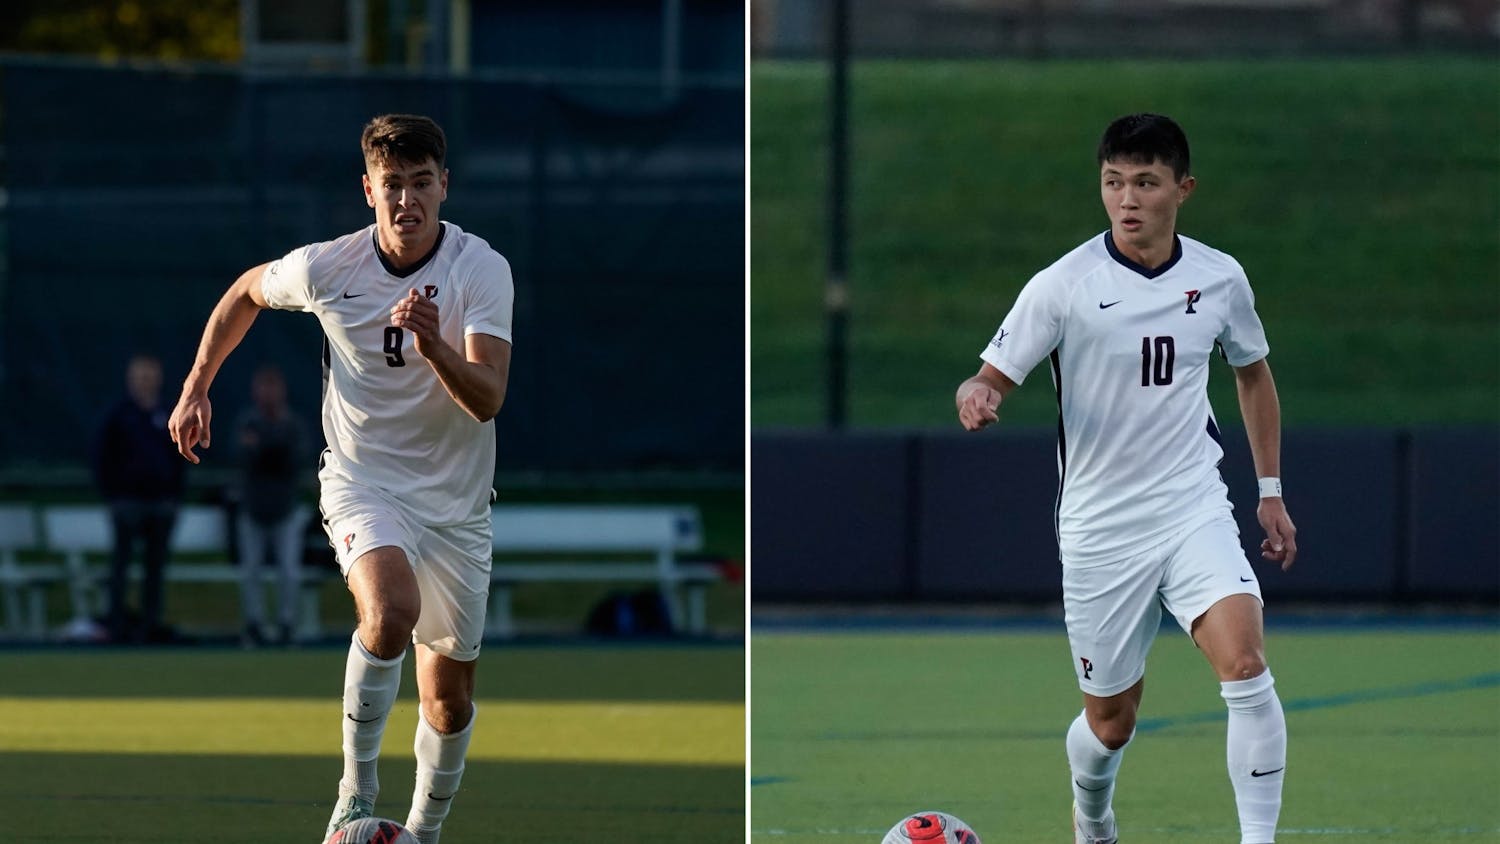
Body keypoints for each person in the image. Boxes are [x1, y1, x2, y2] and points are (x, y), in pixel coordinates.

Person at [167, 113, 514, 843]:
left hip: (457, 508)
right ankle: (355, 794)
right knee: (389, 613)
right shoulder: (330, 267)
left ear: (444, 186)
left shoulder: (481, 268)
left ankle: (422, 833)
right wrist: (197, 385)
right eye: (393, 184)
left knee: (448, 702)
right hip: (364, 483)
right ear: (368, 190)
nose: (407, 200)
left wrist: (434, 346)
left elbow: (487, 397)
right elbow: (246, 292)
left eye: (422, 183)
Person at [955, 114, 1297, 844]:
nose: (1128, 199)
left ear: (1183, 189)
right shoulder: (1064, 284)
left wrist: (1269, 492)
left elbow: (1253, 373)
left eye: (1145, 182)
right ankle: (1093, 816)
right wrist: (978, 394)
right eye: (1114, 183)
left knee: (1245, 665)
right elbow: (988, 376)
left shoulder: (1220, 277)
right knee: (1111, 723)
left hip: (1193, 506)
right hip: (1101, 528)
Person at [92, 353, 185, 644]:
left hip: (160, 504)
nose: (145, 382)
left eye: (149, 376)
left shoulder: (168, 413)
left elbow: (179, 458)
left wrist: (174, 496)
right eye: (140, 376)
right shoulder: (118, 415)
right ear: (130, 380)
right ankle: (117, 625)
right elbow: (102, 457)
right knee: (121, 565)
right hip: (127, 502)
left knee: (154, 567)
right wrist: (113, 495)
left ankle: (150, 624)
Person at [234, 364, 311, 647]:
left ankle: (287, 624)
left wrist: (264, 448)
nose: (268, 394)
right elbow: (242, 457)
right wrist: (271, 450)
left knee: (289, 571)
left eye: (273, 388)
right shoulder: (248, 422)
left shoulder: (292, 424)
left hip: (285, 509)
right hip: (253, 508)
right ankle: (253, 625)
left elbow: (295, 459)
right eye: (263, 388)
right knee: (251, 572)